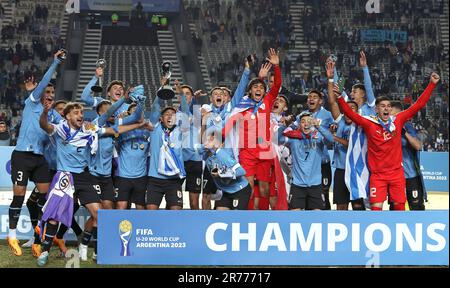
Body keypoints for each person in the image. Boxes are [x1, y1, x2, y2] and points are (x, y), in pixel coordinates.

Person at [336, 73, 440, 210]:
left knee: (399, 208)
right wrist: (339, 97)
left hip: (397, 174)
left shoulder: (398, 120)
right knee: (376, 208)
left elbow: (419, 104)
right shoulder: (369, 123)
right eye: (383, 106)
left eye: (388, 106)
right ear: (376, 109)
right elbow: (350, 114)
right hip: (378, 176)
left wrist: (432, 84)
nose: (386, 108)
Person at [7, 50, 64, 257]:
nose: (48, 95)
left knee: (45, 197)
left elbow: (68, 127)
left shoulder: (55, 115)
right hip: (22, 155)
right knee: (19, 196)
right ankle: (12, 235)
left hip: (39, 159)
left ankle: (38, 239)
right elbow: (45, 81)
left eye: (51, 93)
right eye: (46, 92)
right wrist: (56, 62)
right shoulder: (32, 102)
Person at [278, 112, 334, 210]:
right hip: (297, 185)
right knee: (295, 217)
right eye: (303, 122)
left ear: (312, 124)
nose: (306, 124)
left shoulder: (318, 139)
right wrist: (284, 126)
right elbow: (276, 139)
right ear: (299, 125)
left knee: (317, 218)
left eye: (309, 121)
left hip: (315, 185)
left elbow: (331, 140)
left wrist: (319, 126)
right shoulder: (293, 140)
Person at [200, 129, 251, 210]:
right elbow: (198, 150)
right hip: (226, 191)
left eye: (212, 140)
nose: (207, 143)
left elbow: (241, 171)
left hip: (240, 190)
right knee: (220, 214)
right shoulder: (206, 155)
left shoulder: (223, 155)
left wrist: (221, 174)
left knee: (236, 218)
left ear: (221, 144)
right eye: (208, 140)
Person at [391, 101, 426, 210]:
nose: (391, 116)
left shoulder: (407, 126)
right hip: (394, 177)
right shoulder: (386, 128)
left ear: (400, 113)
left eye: (393, 113)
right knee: (395, 209)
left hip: (410, 176)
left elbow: (418, 146)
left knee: (416, 209)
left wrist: (404, 132)